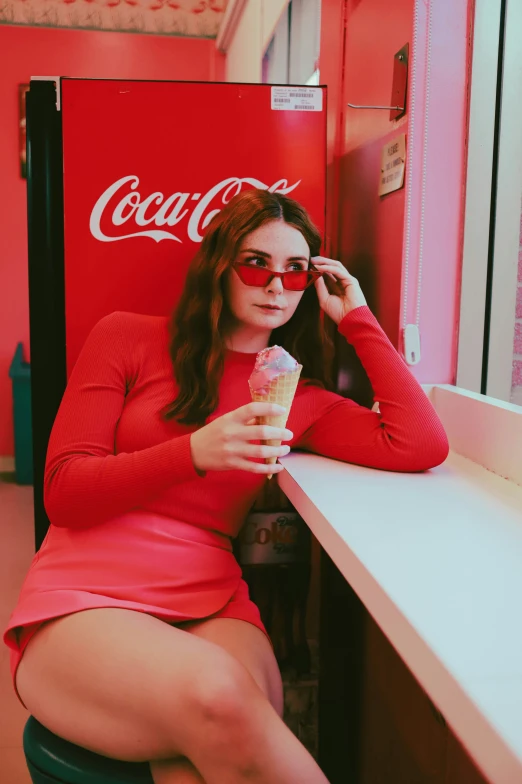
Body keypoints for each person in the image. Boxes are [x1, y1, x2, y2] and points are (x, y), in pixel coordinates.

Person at [3, 189, 449, 784]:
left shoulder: (296, 395)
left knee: (215, 744)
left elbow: (421, 443)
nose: (274, 284)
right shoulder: (127, 338)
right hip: (87, 592)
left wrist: (359, 321)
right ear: (220, 264)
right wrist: (192, 452)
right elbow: (63, 489)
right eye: (256, 262)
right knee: (220, 696)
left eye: (295, 272)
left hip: (210, 598)